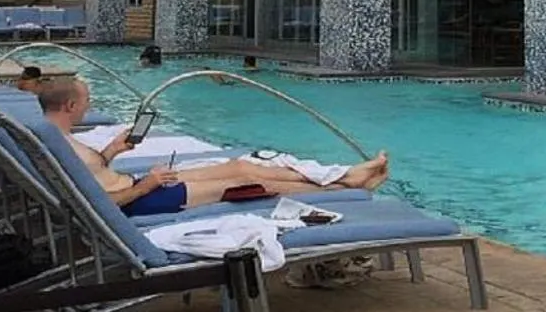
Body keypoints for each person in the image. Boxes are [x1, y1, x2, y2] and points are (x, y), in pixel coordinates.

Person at [34, 80, 388, 215]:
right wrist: (149, 184)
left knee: (239, 166)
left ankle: (346, 174)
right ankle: (345, 187)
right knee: (250, 187)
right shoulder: (55, 143)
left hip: (140, 186)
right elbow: (97, 201)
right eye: (85, 101)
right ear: (70, 107)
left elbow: (90, 175)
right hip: (143, 198)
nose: (88, 106)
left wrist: (112, 151)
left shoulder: (54, 135)